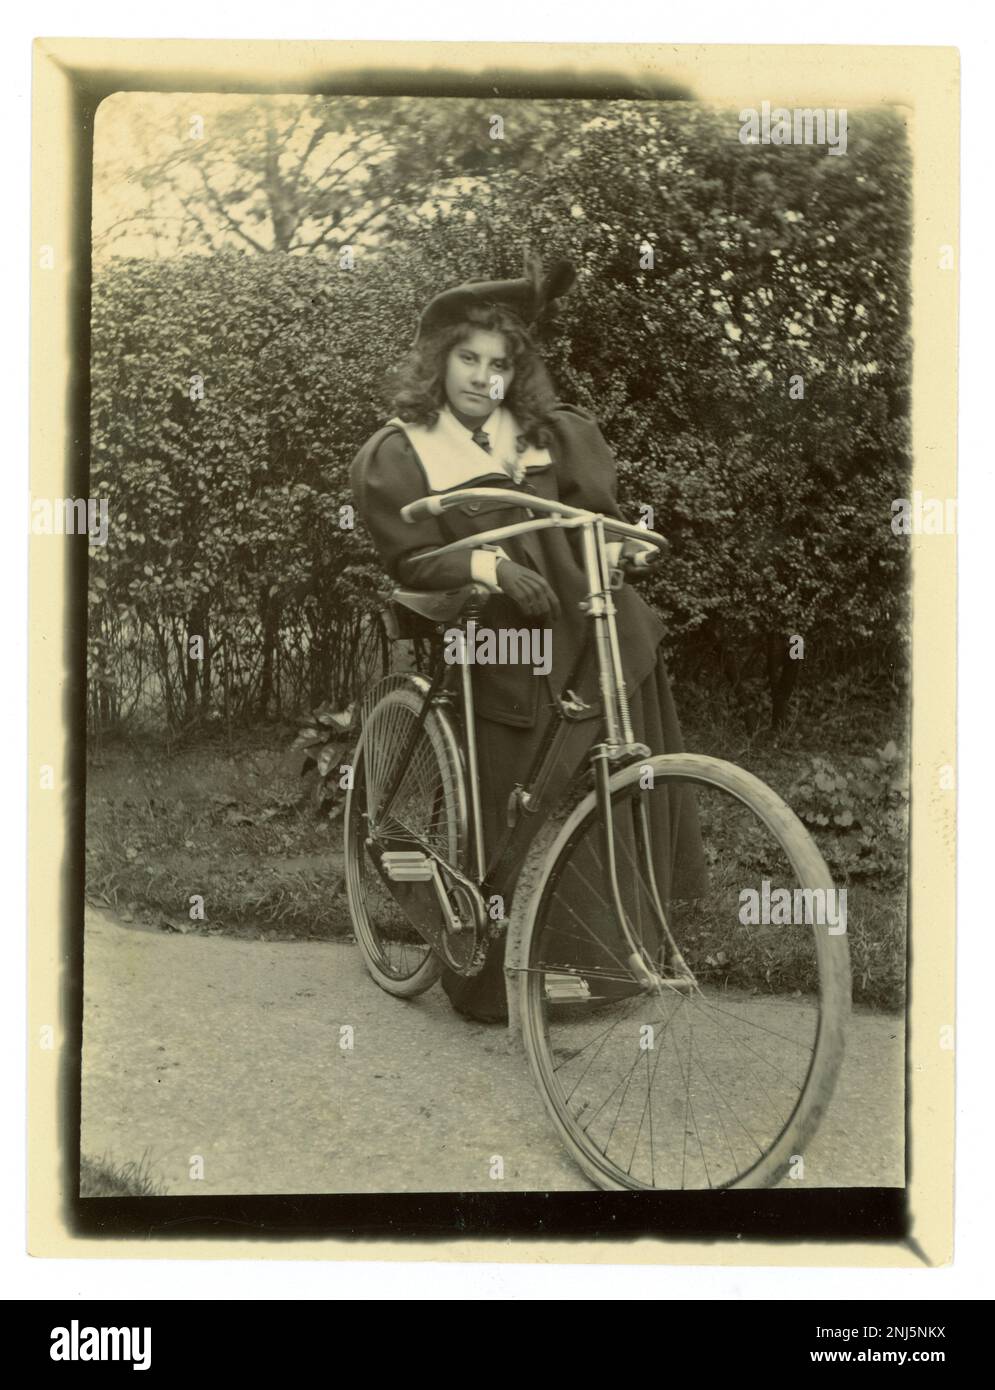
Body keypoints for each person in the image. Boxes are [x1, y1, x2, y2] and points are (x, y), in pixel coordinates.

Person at [350, 253, 707, 1021]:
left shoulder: (550, 434)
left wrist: (615, 551)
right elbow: (407, 556)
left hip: (584, 625)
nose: (484, 379)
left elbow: (595, 521)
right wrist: (484, 564)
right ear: (439, 362)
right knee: (517, 797)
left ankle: (613, 960)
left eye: (500, 363)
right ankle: (490, 970)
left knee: (621, 766)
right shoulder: (405, 450)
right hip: (493, 639)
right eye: (468, 360)